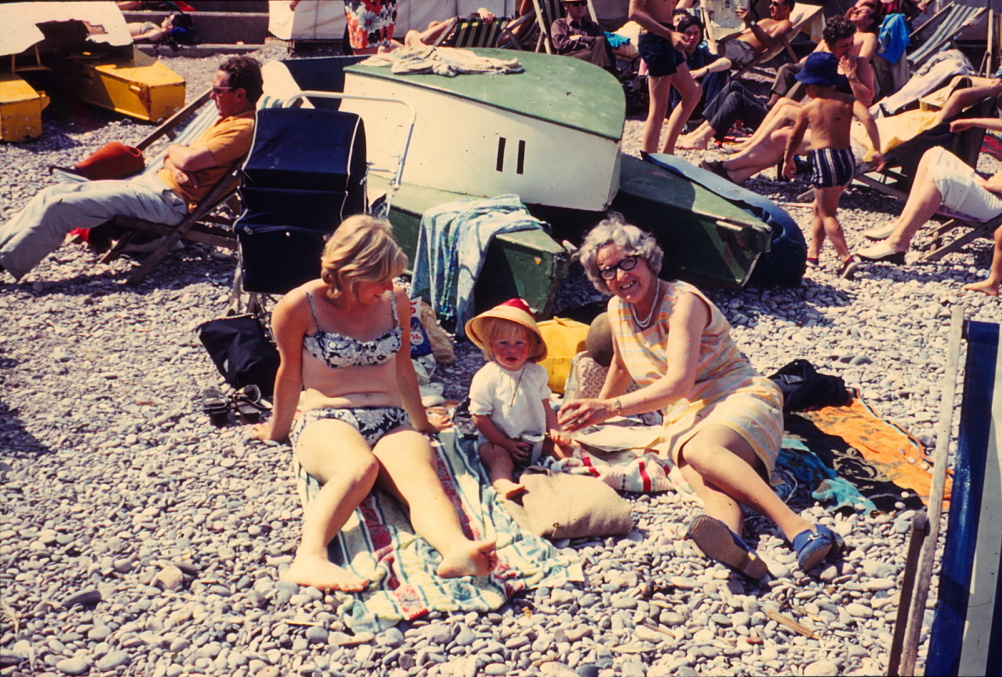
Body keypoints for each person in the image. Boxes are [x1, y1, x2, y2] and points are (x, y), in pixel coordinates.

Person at [559, 217, 843, 578]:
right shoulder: (618, 309)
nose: (620, 275)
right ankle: (732, 541)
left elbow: (678, 382)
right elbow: (621, 365)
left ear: (647, 258)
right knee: (699, 476)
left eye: (627, 262)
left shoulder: (682, 302)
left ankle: (802, 529)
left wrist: (608, 408)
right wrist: (595, 415)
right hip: (684, 414)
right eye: (608, 270)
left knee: (698, 452)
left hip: (735, 392)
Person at [251, 216, 497, 591]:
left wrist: (422, 423)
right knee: (358, 466)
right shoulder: (299, 306)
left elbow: (402, 370)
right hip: (327, 414)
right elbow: (288, 376)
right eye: (380, 278)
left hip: (389, 415)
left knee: (421, 477)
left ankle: (457, 549)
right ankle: (309, 557)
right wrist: (277, 430)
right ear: (349, 273)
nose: (390, 286)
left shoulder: (394, 300)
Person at [0, 56, 262, 281]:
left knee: (60, 207)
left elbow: (188, 160)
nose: (212, 95)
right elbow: (183, 159)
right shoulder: (227, 120)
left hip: (167, 203)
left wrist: (174, 153)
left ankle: (5, 264)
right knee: (52, 192)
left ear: (240, 94)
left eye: (217, 90)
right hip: (152, 189)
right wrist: (177, 160)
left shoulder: (242, 128)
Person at [781, 52, 883, 278]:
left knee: (828, 214)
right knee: (820, 208)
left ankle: (846, 258)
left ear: (811, 86)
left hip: (825, 160)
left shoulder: (809, 108)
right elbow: (867, 119)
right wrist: (876, 149)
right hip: (846, 160)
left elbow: (794, 138)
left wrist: (787, 160)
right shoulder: (849, 102)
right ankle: (813, 255)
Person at [465, 299, 575, 499]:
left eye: (519, 343)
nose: (511, 349)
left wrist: (554, 429)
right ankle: (503, 482)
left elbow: (545, 405)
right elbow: (479, 417)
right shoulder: (488, 376)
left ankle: (579, 470)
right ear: (490, 345)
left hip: (533, 437)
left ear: (531, 346)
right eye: (503, 343)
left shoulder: (537, 373)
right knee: (499, 459)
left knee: (563, 449)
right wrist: (505, 442)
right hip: (496, 438)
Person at [630, 0, 701, 155]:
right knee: (659, 107)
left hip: (667, 36)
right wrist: (669, 34)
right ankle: (649, 162)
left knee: (693, 93)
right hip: (656, 38)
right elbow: (634, 12)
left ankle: (667, 153)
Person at [668, 12, 731, 121]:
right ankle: (680, 120)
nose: (692, 37)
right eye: (688, 33)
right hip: (680, 104)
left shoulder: (701, 52)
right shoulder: (674, 53)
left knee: (718, 71)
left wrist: (703, 70)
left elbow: (726, 62)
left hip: (700, 103)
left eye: (696, 33)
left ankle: (711, 118)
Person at [714, 0, 796, 71]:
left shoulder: (785, 24)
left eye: (775, 4)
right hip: (734, 44)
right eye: (771, 3)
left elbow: (771, 44)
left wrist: (750, 21)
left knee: (712, 51)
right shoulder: (767, 20)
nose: (770, 7)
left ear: (786, 8)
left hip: (745, 51)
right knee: (707, 44)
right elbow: (747, 30)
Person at [551, 0, 615, 72]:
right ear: (566, 6)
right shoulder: (560, 24)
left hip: (593, 54)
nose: (580, 7)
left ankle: (604, 76)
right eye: (576, 4)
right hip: (570, 58)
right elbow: (561, 44)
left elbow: (603, 42)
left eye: (583, 3)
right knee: (601, 54)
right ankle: (608, 77)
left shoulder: (592, 26)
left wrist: (581, 38)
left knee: (601, 43)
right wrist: (587, 44)